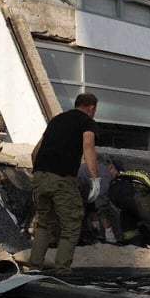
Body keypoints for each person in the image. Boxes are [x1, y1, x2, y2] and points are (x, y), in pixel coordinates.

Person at [28, 93, 101, 273]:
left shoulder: (56, 120)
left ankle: (34, 268)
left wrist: (40, 172)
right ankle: (62, 270)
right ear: (91, 108)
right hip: (62, 178)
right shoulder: (87, 122)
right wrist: (94, 177)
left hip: (40, 175)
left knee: (45, 223)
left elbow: (35, 152)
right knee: (71, 224)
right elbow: (88, 147)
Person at [108, 168, 150, 249]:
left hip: (114, 190)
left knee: (130, 220)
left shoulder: (130, 174)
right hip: (135, 190)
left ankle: (132, 248)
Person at [78, 156, 122, 243]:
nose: (115, 178)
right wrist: (108, 232)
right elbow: (101, 202)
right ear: (111, 167)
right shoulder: (105, 173)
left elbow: (92, 200)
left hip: (77, 192)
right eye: (116, 175)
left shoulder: (97, 169)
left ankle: (91, 233)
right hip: (74, 193)